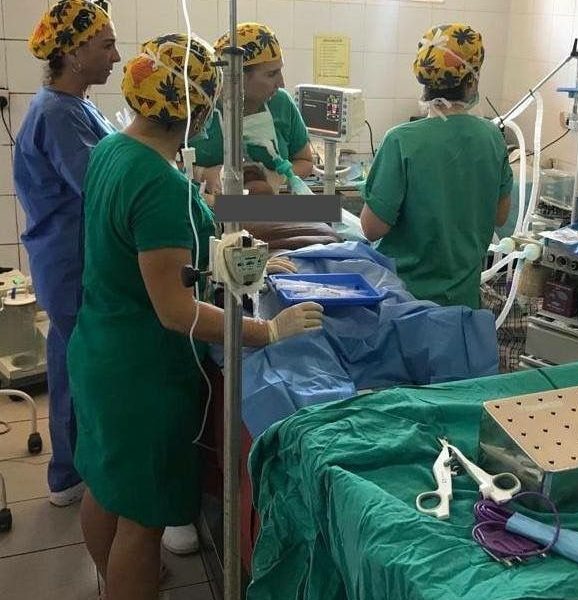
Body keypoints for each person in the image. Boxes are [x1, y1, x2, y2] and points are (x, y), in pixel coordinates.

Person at [67, 34, 323, 598]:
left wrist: (242, 260)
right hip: (141, 375)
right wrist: (266, 331)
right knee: (141, 520)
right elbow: (175, 309)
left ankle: (112, 582)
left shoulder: (114, 150)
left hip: (99, 349)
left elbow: (146, 254)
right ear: (199, 108)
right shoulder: (159, 183)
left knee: (106, 487)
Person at [13, 0, 119, 508]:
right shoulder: (58, 113)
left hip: (70, 259)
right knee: (80, 367)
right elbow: (103, 187)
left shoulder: (76, 105)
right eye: (107, 45)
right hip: (70, 261)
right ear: (74, 53)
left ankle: (70, 471)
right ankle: (77, 474)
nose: (116, 57)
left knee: (71, 360)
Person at [360, 23, 513, 309]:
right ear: (472, 81)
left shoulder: (400, 141)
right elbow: (500, 216)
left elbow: (371, 228)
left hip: (405, 304)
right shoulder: (492, 137)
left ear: (424, 80)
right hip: (461, 305)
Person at [192, 22, 314, 194]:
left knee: (327, 207)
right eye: (271, 74)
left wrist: (278, 177)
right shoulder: (200, 106)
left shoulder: (282, 104)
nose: (281, 83)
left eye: (280, 71)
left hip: (265, 206)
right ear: (237, 76)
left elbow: (305, 161)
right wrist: (203, 174)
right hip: (209, 206)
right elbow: (169, 163)